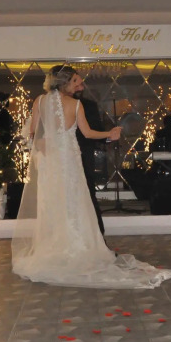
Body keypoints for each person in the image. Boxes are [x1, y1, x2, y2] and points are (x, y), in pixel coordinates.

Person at [11, 65, 171, 288]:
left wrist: (43, 147)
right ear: (64, 83)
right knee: (75, 202)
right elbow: (88, 133)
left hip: (50, 163)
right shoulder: (76, 104)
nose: (80, 85)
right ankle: (77, 247)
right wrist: (111, 133)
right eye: (76, 81)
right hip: (69, 162)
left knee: (52, 203)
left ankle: (53, 248)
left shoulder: (39, 101)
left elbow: (33, 133)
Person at [71, 80, 106, 234]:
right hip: (61, 156)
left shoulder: (88, 105)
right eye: (76, 83)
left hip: (84, 155)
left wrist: (107, 137)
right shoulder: (50, 104)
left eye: (81, 84)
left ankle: (97, 236)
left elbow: (95, 129)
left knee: (88, 194)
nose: (80, 87)